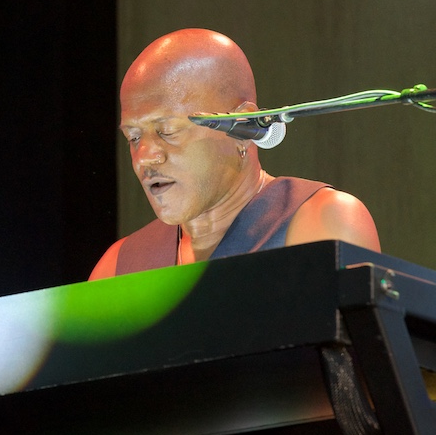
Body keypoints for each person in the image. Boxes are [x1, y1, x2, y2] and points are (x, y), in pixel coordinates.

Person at [89, 28, 380, 280]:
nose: (143, 156)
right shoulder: (118, 267)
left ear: (242, 127)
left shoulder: (321, 224)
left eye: (167, 131)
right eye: (134, 137)